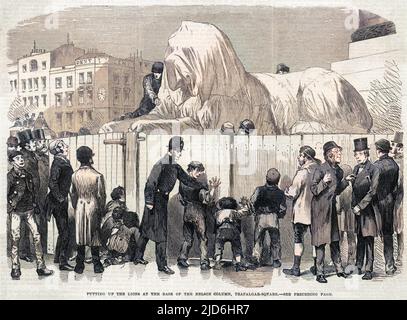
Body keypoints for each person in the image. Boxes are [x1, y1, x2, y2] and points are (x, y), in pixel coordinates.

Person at [134, 136, 205, 275]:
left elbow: (187, 180)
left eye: (180, 151)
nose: (180, 153)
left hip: (162, 200)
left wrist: (201, 186)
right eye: (178, 151)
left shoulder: (176, 166)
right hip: (155, 200)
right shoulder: (160, 164)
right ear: (171, 150)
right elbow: (150, 183)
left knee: (147, 229)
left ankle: (138, 256)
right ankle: (161, 265)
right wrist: (149, 201)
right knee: (157, 232)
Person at [7, 150, 53, 280]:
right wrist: (11, 207)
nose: (21, 160)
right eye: (17, 158)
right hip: (16, 211)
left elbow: (32, 192)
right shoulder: (8, 177)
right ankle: (15, 268)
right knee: (15, 239)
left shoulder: (27, 175)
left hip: (29, 211)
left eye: (21, 158)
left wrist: (34, 205)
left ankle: (41, 267)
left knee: (37, 237)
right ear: (12, 162)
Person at [310, 141, 349, 283]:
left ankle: (339, 269)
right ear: (328, 154)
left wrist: (345, 182)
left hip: (331, 208)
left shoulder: (339, 171)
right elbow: (313, 189)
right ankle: (320, 272)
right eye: (336, 151)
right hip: (319, 210)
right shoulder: (320, 169)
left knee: (334, 240)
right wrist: (324, 182)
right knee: (320, 242)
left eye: (340, 151)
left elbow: (336, 190)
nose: (339, 154)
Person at [346, 138, 381, 280]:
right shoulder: (356, 168)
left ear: (366, 153)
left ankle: (368, 269)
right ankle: (358, 266)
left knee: (368, 240)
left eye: (359, 154)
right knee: (360, 238)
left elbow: (373, 191)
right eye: (355, 155)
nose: (356, 157)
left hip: (368, 210)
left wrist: (360, 206)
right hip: (357, 210)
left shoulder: (374, 169)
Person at [283, 146, 320, 277]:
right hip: (317, 212)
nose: (299, 158)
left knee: (298, 239)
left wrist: (287, 191)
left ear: (305, 157)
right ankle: (317, 268)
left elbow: (293, 193)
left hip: (302, 212)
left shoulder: (303, 172)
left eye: (300, 155)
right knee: (317, 240)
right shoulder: (320, 170)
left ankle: (296, 268)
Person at [177, 161, 221, 270]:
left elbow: (180, 199)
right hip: (198, 213)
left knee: (187, 239)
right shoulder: (199, 185)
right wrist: (213, 189)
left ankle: (182, 258)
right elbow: (207, 200)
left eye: (201, 171)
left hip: (187, 213)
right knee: (202, 238)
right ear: (191, 170)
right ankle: (204, 262)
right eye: (198, 171)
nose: (199, 173)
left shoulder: (182, 183)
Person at [70, 146, 106, 274]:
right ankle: (97, 264)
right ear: (90, 157)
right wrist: (101, 209)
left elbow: (73, 194)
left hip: (80, 206)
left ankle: (79, 265)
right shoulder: (97, 176)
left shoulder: (74, 175)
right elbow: (101, 195)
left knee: (80, 235)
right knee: (94, 235)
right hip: (93, 206)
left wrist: (76, 206)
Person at [46, 140, 74, 271]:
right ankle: (63, 262)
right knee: (65, 232)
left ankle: (58, 257)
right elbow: (52, 183)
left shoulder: (63, 161)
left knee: (63, 231)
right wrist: (60, 198)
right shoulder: (58, 162)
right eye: (64, 146)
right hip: (58, 203)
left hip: (61, 200)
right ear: (58, 149)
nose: (67, 147)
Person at [372, 139, 399, 275]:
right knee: (388, 233)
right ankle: (390, 265)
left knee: (373, 232)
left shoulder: (377, 166)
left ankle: (368, 266)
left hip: (378, 202)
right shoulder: (394, 165)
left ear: (378, 150)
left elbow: (374, 187)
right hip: (390, 201)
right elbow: (395, 186)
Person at [251, 168, 286, 268]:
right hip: (273, 217)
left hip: (261, 217)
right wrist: (279, 215)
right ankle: (276, 260)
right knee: (275, 240)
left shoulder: (259, 189)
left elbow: (252, 202)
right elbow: (283, 208)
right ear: (278, 180)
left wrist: (255, 212)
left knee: (258, 239)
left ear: (266, 178)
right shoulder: (280, 193)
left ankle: (257, 259)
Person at [101, 186, 140, 266]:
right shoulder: (118, 206)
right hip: (112, 227)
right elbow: (122, 217)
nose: (124, 195)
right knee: (134, 230)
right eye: (123, 194)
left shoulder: (110, 203)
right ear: (120, 195)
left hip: (109, 229)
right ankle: (135, 254)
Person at [16, 129, 40, 262]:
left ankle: (27, 251)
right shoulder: (25, 158)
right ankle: (24, 252)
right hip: (26, 195)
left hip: (32, 194)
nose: (35, 144)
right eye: (32, 142)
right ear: (26, 145)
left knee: (29, 225)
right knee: (25, 225)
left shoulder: (32, 155)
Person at [213, 197, 252, 272]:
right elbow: (245, 212)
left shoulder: (218, 213)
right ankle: (238, 263)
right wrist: (245, 204)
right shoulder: (235, 212)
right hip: (233, 231)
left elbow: (217, 222)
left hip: (221, 231)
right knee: (236, 247)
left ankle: (217, 262)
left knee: (218, 246)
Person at [33, 128, 49, 254]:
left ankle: (42, 250)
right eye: (39, 142)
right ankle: (34, 252)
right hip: (35, 197)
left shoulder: (46, 158)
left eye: (43, 141)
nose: (42, 144)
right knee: (35, 225)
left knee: (43, 224)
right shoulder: (34, 159)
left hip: (45, 196)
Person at [337, 163, 356, 269]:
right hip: (350, 215)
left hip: (343, 216)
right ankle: (351, 260)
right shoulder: (351, 187)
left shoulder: (343, 187)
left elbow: (339, 206)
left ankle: (339, 260)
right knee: (351, 238)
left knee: (340, 238)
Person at [390, 132, 404, 265]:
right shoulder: (393, 161)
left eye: (397, 146)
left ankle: (400, 256)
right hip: (393, 200)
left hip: (399, 201)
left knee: (400, 228)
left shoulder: (401, 163)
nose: (393, 149)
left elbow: (399, 184)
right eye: (392, 145)